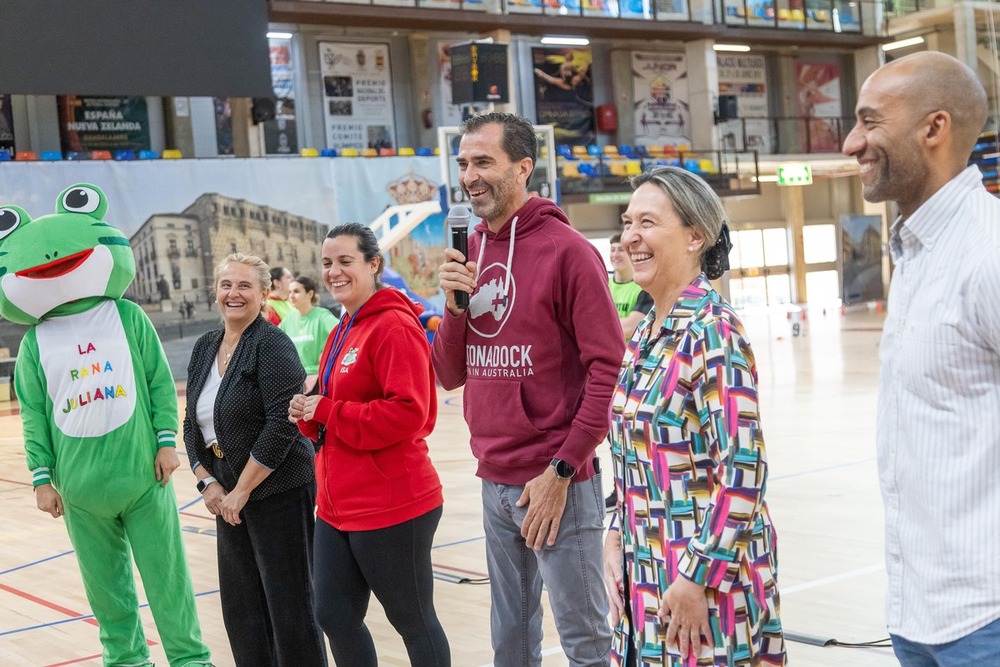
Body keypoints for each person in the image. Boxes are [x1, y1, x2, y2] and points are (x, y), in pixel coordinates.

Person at [432, 112, 623, 666]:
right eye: (464, 163)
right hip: (494, 478)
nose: (469, 175)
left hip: (555, 481)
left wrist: (562, 471)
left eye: (483, 162)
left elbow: (606, 370)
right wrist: (452, 308)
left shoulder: (569, 252)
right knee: (511, 642)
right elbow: (448, 374)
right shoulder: (469, 253)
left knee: (585, 641)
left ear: (523, 167)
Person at [5, 183, 214, 667]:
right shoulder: (35, 343)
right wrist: (40, 479)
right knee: (107, 593)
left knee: (168, 580)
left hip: (144, 473)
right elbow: (33, 415)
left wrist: (167, 442)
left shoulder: (127, 315)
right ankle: (126, 661)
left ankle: (189, 660)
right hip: (78, 489)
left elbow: (160, 383)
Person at [842, 51, 1000, 664]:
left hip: (985, 617)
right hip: (916, 613)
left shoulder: (987, 253)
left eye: (870, 121)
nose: (853, 142)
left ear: (934, 129)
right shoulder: (915, 251)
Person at [603, 166, 785, 666]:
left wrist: (696, 577)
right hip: (646, 578)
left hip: (704, 590)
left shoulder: (712, 332)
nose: (631, 237)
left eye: (648, 222)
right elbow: (633, 458)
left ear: (694, 237)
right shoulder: (643, 337)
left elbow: (744, 471)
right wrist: (615, 533)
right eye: (627, 222)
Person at [289, 223, 449, 666]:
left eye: (345, 261)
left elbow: (410, 414)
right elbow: (330, 414)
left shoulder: (394, 326)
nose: (334, 272)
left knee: (413, 620)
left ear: (373, 264)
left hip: (393, 502)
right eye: (327, 263)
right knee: (334, 616)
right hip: (338, 507)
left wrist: (325, 411)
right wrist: (307, 414)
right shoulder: (343, 328)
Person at [184, 253, 325, 667]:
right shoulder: (205, 346)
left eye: (245, 286)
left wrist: (241, 491)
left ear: (265, 295)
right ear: (216, 292)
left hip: (277, 488)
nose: (234, 294)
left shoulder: (272, 344)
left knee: (290, 607)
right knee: (242, 607)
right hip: (226, 494)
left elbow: (283, 425)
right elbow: (191, 422)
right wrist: (207, 483)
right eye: (227, 285)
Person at [278, 275, 338, 394]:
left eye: (296, 291)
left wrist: (329, 351)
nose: (291, 296)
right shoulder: (288, 320)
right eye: (289, 292)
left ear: (310, 294)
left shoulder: (322, 316)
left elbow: (343, 332)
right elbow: (273, 343)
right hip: (295, 381)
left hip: (320, 380)